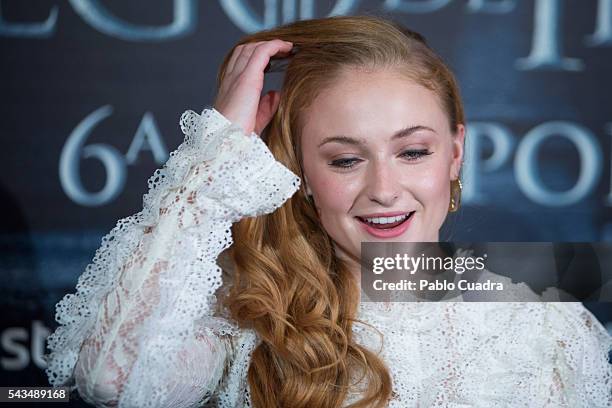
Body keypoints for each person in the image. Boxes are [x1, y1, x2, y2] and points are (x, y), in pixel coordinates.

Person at [43, 14, 612, 408]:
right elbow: (113, 383)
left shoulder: (547, 322)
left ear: (456, 154)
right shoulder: (249, 320)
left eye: (412, 151)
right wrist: (212, 158)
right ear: (304, 176)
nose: (384, 189)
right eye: (345, 160)